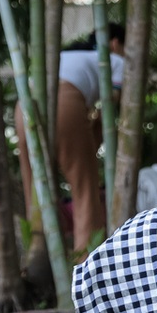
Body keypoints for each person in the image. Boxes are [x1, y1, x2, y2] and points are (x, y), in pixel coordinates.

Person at [53, 27, 125, 251]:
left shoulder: (70, 56)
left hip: (25, 104)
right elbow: (110, 107)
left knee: (36, 186)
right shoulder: (116, 61)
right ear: (114, 44)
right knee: (85, 190)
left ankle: (39, 251)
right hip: (64, 102)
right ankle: (87, 260)